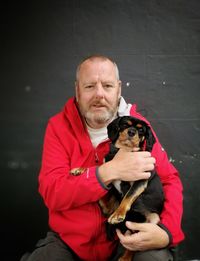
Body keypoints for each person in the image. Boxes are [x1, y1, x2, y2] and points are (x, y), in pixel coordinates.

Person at [21, 55, 184, 261]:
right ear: (77, 90)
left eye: (107, 85)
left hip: (127, 237)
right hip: (71, 243)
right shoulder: (59, 127)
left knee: (153, 259)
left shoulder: (139, 129)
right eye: (89, 86)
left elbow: (170, 181)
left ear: (119, 89)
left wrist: (165, 232)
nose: (99, 94)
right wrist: (108, 172)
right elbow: (53, 192)